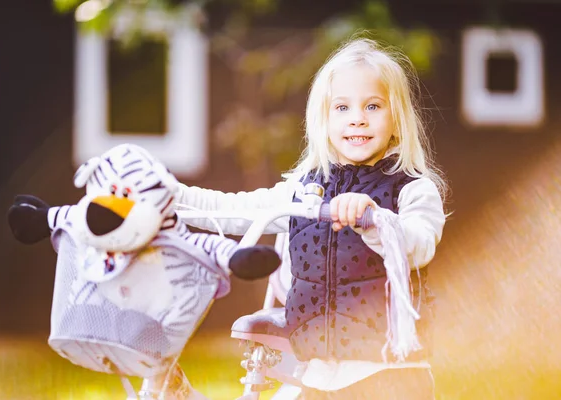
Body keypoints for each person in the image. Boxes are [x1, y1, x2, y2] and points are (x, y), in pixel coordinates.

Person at [176, 36, 447, 399]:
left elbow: (419, 243)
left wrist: (375, 219)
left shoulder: (412, 189)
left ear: (396, 118)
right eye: (342, 108)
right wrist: (169, 196)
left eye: (372, 106)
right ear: (324, 118)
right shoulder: (306, 190)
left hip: (388, 375)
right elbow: (234, 211)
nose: (357, 120)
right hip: (317, 374)